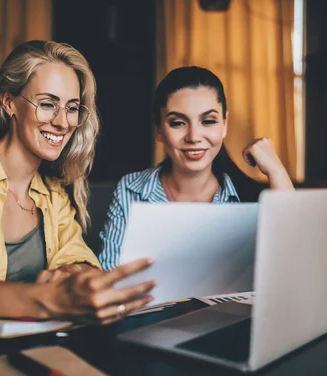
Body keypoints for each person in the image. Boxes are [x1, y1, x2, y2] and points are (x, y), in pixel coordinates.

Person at [0, 41, 155, 324]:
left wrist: (76, 276)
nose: (63, 122)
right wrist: (48, 299)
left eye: (72, 108)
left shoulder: (52, 192)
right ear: (8, 102)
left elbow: (75, 254)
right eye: (47, 104)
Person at [98, 66, 294, 271]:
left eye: (208, 121)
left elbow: (291, 265)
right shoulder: (131, 189)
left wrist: (276, 170)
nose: (193, 136)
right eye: (178, 123)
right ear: (159, 130)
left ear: (224, 124)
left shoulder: (249, 197)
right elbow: (109, 274)